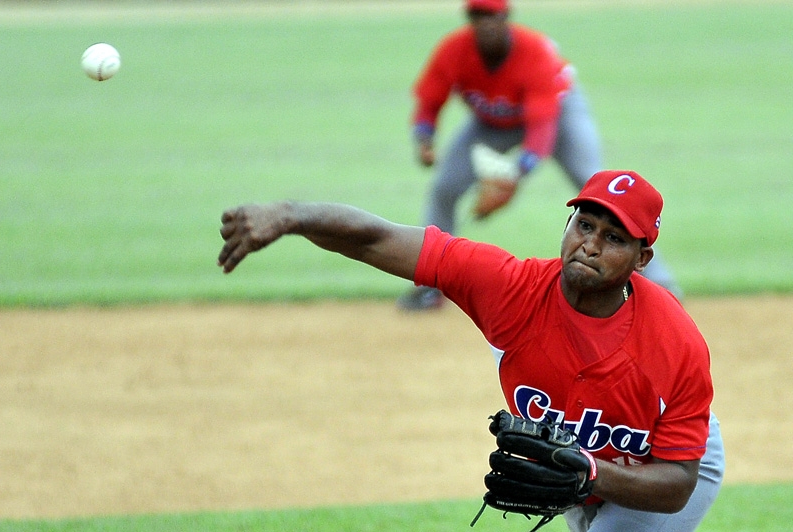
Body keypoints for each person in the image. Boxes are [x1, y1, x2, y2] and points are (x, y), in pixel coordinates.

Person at [217, 169, 724, 532]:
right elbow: (377, 239)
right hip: (583, 465)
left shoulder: (674, 344)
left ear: (642, 257)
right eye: (584, 225)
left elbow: (677, 483)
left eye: (613, 237)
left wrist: (591, 471)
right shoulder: (508, 288)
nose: (589, 245)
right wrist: (289, 215)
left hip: (665, 461)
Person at [398, 0, 682, 310]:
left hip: (558, 116)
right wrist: (424, 139)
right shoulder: (454, 50)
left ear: (506, 17)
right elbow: (429, 100)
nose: (485, 23)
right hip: (491, 123)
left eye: (491, 15)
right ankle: (430, 287)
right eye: (476, 15)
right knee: (444, 188)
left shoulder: (533, 53)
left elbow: (542, 132)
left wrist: (513, 179)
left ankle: (661, 284)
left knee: (604, 195)